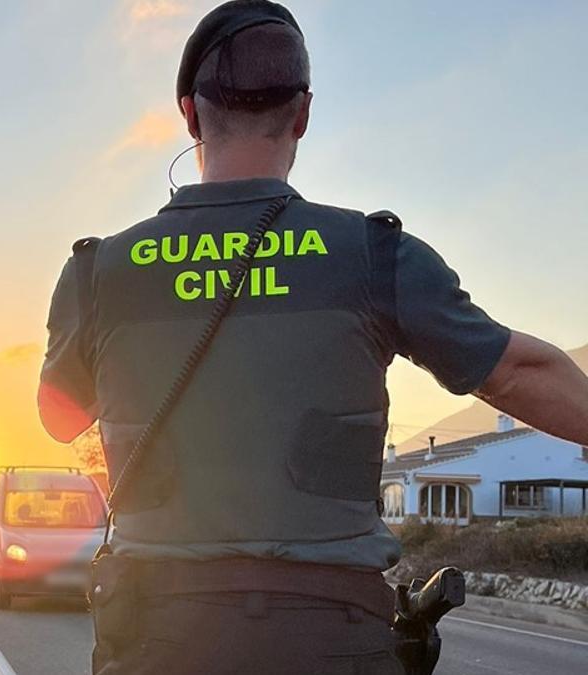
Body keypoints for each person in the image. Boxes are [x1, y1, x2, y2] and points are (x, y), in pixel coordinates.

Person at [36, 1, 588, 673]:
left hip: (160, 634)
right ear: (302, 113)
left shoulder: (101, 270)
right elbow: (518, 372)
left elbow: (58, 418)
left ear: (188, 113)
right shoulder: (370, 253)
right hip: (333, 634)